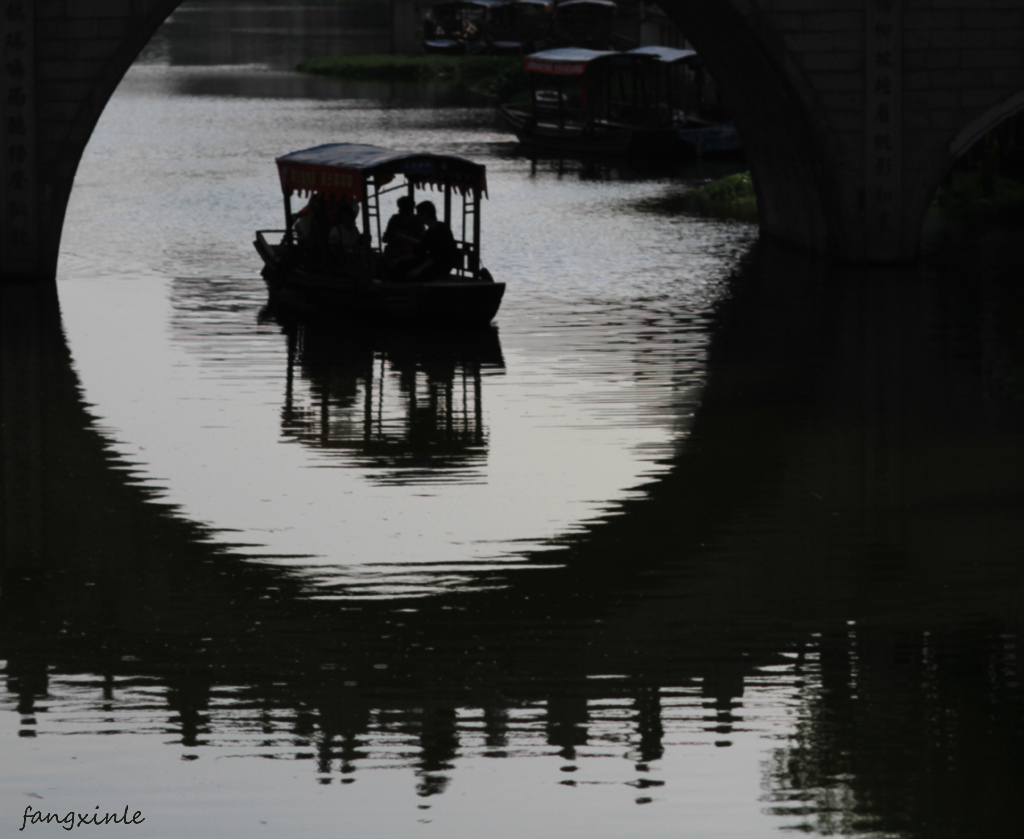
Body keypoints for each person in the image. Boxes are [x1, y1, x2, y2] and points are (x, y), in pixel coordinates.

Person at [404, 200, 459, 283]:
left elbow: (438, 256)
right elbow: (421, 250)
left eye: (419, 214)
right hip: (433, 262)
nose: (417, 216)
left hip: (442, 265)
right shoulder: (429, 232)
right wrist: (400, 259)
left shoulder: (443, 230)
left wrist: (419, 268)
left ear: (425, 214)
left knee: (417, 275)